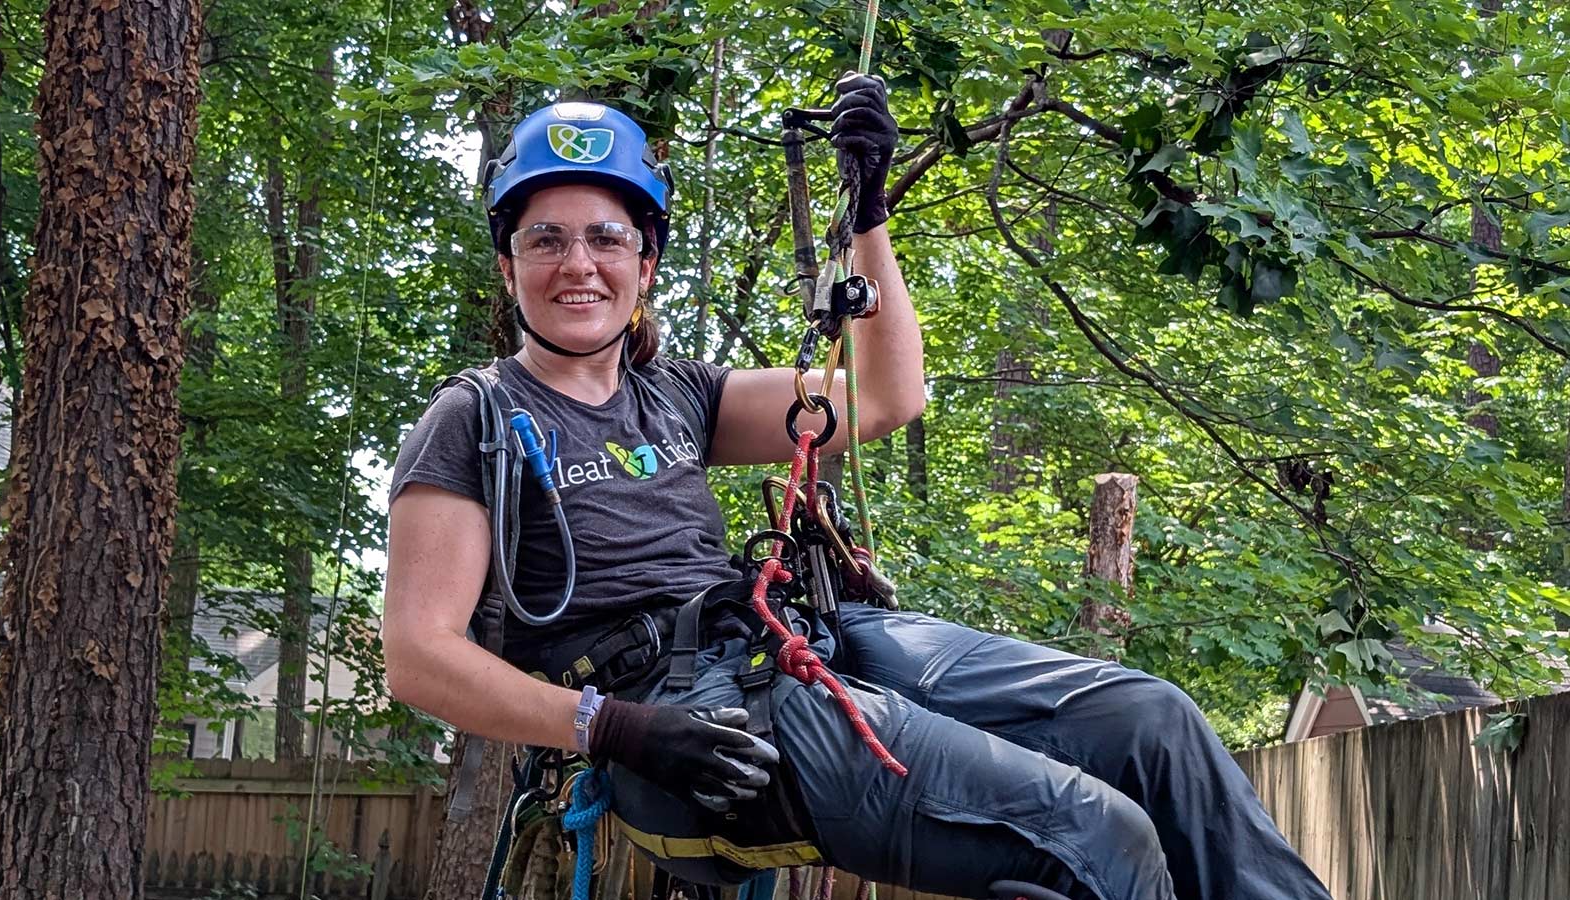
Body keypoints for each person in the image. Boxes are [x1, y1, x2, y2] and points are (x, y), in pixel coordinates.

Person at [381, 78, 1334, 900]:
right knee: (1099, 834)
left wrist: (868, 214)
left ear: (645, 261)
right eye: (546, 240)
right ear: (508, 264)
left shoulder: (677, 392)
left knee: (1153, 723)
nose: (578, 264)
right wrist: (614, 728)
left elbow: (886, 396)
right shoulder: (476, 421)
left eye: (606, 238)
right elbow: (419, 658)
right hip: (674, 717)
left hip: (789, 641)